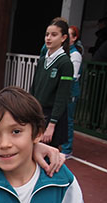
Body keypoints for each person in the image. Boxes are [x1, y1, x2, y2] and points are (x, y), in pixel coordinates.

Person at [30, 18, 73, 148]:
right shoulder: (42, 61)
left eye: (54, 35)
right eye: (47, 34)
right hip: (38, 113)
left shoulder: (65, 63)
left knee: (49, 154)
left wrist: (52, 124)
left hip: (52, 115)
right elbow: (34, 88)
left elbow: (62, 96)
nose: (48, 38)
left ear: (63, 38)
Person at [61, 26, 83, 156]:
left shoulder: (75, 55)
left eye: (69, 35)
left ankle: (67, 149)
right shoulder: (63, 51)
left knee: (67, 120)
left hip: (70, 92)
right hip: (63, 90)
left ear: (74, 38)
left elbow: (72, 76)